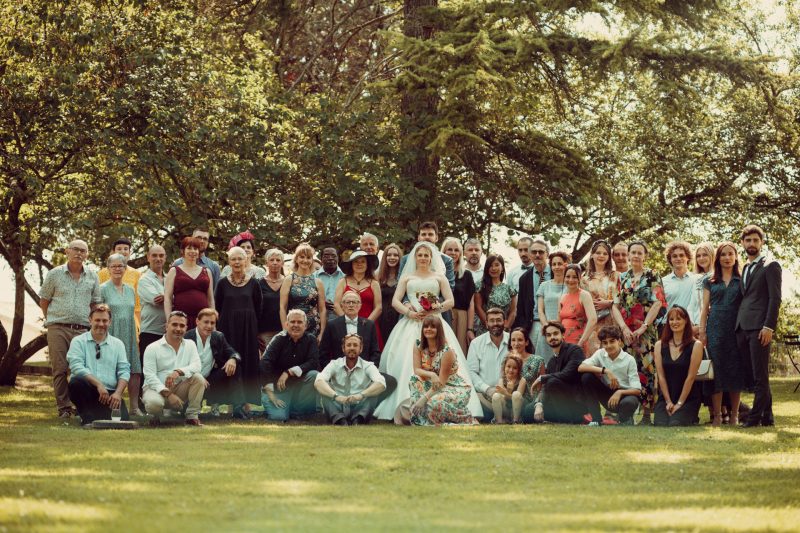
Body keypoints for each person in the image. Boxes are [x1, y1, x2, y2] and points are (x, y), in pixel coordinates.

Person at [375, 241, 482, 420]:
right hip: (411, 323)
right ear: (415, 258)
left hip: (435, 322)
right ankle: (403, 402)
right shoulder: (406, 277)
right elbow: (395, 301)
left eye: (426, 255)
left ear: (431, 258)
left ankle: (441, 401)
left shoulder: (439, 277)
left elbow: (450, 301)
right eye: (420, 255)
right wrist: (410, 312)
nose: (423, 258)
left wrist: (435, 308)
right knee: (406, 361)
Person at [39, 239, 102, 418]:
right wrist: (52, 320)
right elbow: (44, 300)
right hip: (57, 328)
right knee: (59, 369)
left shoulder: (92, 276)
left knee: (82, 369)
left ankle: (82, 407)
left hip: (82, 329)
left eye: (83, 250)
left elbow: (95, 303)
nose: (79, 253)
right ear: (67, 251)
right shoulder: (54, 274)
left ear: (87, 255)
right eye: (75, 249)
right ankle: (64, 408)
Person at [612, 241, 666, 424]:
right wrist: (623, 328)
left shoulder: (653, 275)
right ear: (628, 255)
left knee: (647, 371)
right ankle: (625, 414)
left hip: (645, 333)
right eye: (633, 252)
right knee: (626, 370)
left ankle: (646, 415)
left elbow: (658, 303)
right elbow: (615, 305)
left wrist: (643, 326)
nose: (635, 255)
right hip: (626, 334)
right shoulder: (622, 277)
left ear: (645, 256)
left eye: (639, 253)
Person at [699, 242, 751, 426]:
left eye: (730, 254)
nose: (727, 258)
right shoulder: (710, 281)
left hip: (736, 329)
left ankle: (735, 415)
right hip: (715, 329)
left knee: (736, 370)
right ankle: (717, 416)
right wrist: (702, 331)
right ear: (718, 258)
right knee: (717, 371)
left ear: (736, 257)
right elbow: (705, 308)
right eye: (723, 254)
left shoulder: (742, 279)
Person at [736, 225, 781, 427]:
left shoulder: (771, 265)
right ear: (743, 243)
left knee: (760, 377)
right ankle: (767, 417)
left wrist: (768, 327)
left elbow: (775, 298)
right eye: (748, 240)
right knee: (755, 375)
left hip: (760, 328)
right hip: (742, 327)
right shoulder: (745, 268)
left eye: (755, 240)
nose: (752, 243)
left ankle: (754, 419)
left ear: (761, 242)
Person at [215, 246, 263, 408]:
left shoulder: (254, 283)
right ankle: (232, 405)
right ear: (229, 262)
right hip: (228, 329)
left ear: (246, 260)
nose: (237, 262)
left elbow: (259, 307)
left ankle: (247, 405)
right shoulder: (222, 283)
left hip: (248, 330)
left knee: (248, 363)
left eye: (240, 259)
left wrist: (256, 330)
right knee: (230, 362)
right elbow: (217, 307)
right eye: (233, 259)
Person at [67, 305, 131, 425]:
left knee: (123, 419)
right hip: (87, 389)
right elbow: (76, 366)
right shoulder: (78, 341)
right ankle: (87, 419)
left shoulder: (118, 344)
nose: (101, 324)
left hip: (109, 394)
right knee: (76, 382)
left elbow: (124, 371)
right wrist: (99, 384)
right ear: (90, 320)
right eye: (97, 320)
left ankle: (95, 414)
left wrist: (118, 393)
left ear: (110, 322)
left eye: (104, 320)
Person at [408, 316, 478, 426]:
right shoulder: (418, 345)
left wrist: (424, 399)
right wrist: (431, 374)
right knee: (414, 380)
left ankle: (465, 418)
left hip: (452, 387)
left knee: (432, 403)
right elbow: (417, 370)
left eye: (433, 327)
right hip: (433, 384)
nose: (428, 329)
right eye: (426, 327)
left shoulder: (447, 351)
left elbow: (441, 382)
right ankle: (420, 419)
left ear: (439, 330)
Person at [142, 311, 206, 426]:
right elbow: (150, 376)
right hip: (155, 390)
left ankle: (192, 416)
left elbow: (197, 366)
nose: (178, 329)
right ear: (166, 326)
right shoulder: (152, 348)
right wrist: (169, 394)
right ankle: (155, 416)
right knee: (154, 404)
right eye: (174, 324)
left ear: (186, 328)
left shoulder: (190, 344)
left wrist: (178, 371)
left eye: (182, 326)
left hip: (179, 389)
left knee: (199, 378)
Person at [184, 308, 247, 419]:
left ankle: (238, 409)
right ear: (197, 321)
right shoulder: (187, 337)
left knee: (235, 367)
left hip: (211, 381)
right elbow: (182, 365)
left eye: (212, 323)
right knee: (183, 413)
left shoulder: (218, 336)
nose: (209, 326)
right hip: (191, 381)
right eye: (206, 322)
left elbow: (234, 353)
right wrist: (198, 377)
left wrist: (233, 359)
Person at [260, 310, 320, 421]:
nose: (295, 325)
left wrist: (289, 372)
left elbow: (313, 362)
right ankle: (277, 407)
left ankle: (296, 411)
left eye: (299, 322)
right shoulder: (279, 339)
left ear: (306, 325)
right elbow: (265, 363)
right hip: (278, 389)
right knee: (278, 417)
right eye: (292, 322)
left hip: (298, 387)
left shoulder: (311, 339)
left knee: (314, 375)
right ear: (287, 324)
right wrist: (270, 392)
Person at [100, 254, 141, 415]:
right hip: (111, 333)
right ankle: (110, 403)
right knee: (111, 368)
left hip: (129, 334)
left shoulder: (130, 290)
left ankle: (134, 407)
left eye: (121, 266)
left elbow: (134, 312)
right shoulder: (102, 288)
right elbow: (99, 314)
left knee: (134, 370)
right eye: (114, 266)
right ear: (108, 269)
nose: (117, 269)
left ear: (125, 268)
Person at [315, 334, 387, 425]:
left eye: (355, 345)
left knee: (374, 391)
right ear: (343, 348)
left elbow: (381, 383)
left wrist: (361, 395)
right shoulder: (334, 364)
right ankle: (339, 420)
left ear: (361, 349)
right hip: (338, 405)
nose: (352, 348)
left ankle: (358, 420)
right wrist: (336, 396)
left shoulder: (368, 366)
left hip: (359, 406)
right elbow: (318, 381)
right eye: (349, 345)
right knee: (324, 388)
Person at [579, 325, 642, 426]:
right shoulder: (600, 353)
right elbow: (581, 367)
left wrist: (620, 392)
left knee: (629, 402)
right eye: (605, 343)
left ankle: (625, 419)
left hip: (625, 396)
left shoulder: (629, 360)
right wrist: (606, 371)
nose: (608, 346)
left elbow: (637, 390)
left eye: (612, 341)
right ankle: (596, 419)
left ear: (619, 341)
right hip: (607, 395)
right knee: (586, 376)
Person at [652, 306, 703, 427]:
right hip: (667, 397)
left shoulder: (696, 345)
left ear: (686, 321)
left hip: (688, 398)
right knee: (660, 423)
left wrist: (679, 403)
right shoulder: (659, 345)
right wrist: (668, 401)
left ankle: (691, 415)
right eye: (671, 319)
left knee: (676, 423)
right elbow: (661, 376)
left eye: (678, 319)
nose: (674, 322)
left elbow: (691, 377)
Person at [528, 321, 585, 424]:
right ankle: (552, 417)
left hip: (577, 403)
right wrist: (539, 404)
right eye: (548, 335)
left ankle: (566, 420)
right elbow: (545, 387)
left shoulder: (575, 350)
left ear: (563, 334)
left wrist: (542, 378)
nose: (552, 337)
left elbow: (567, 374)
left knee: (552, 382)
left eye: (555, 333)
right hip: (556, 403)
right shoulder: (551, 362)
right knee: (527, 411)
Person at [467, 308, 509, 420]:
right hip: (484, 395)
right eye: (492, 320)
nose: (495, 324)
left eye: (499, 320)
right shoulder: (476, 343)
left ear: (505, 322)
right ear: (486, 323)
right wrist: (487, 389)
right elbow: (471, 372)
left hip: (507, 394)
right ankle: (497, 416)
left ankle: (500, 416)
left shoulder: (513, 341)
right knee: (472, 397)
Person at [164, 236, 214, 329]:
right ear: (182, 251)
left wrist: (212, 321)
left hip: (203, 321)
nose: (193, 251)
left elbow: (210, 299)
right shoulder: (174, 271)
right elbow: (168, 298)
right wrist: (169, 320)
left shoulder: (207, 272)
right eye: (189, 248)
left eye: (195, 248)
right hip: (180, 322)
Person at [333, 250, 382, 346]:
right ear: (351, 264)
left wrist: (366, 324)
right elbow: (336, 305)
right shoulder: (343, 281)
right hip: (345, 324)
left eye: (363, 261)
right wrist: (348, 322)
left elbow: (378, 307)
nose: (359, 264)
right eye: (356, 261)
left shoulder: (374, 283)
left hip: (368, 324)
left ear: (367, 264)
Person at [280, 243, 327, 340]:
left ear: (312, 260)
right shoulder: (289, 280)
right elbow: (282, 307)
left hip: (314, 327)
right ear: (296, 259)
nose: (305, 260)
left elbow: (322, 309)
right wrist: (285, 330)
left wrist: (322, 332)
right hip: (294, 326)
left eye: (308, 257)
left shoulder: (318, 282)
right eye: (302, 257)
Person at [580, 240, 619, 355]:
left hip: (612, 321)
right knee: (594, 356)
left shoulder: (616, 276)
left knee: (612, 355)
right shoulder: (584, 278)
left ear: (609, 257)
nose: (601, 256)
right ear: (592, 255)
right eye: (598, 253)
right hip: (593, 322)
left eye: (605, 253)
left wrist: (609, 302)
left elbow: (623, 298)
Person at [514, 238, 552, 350]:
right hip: (533, 325)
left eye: (541, 252)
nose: (537, 255)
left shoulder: (557, 273)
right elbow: (521, 308)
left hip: (553, 323)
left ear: (547, 254)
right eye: (534, 252)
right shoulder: (524, 278)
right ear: (530, 255)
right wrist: (521, 330)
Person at [441, 237, 476, 353]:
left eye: (456, 250)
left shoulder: (466, 275)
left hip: (461, 318)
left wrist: (470, 329)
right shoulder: (438, 273)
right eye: (449, 249)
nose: (453, 253)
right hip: (442, 315)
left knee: (459, 351)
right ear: (443, 252)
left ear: (460, 254)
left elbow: (471, 304)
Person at [97, 237, 142, 324]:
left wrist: (138, 325)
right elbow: (97, 301)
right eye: (119, 249)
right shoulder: (102, 273)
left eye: (126, 249)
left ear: (130, 252)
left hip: (129, 321)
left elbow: (137, 305)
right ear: (113, 252)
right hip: (108, 321)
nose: (122, 251)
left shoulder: (137, 274)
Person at [398, 222, 455, 289]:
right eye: (423, 234)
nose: (427, 237)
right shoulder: (405, 259)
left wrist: (432, 296)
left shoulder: (447, 260)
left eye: (430, 234)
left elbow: (450, 287)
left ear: (436, 238)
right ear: (419, 238)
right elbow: (399, 285)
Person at [534, 251, 569, 362]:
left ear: (565, 265)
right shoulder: (544, 286)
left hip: (565, 331)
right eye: (554, 264)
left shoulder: (571, 286)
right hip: (546, 331)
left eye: (560, 264)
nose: (556, 267)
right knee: (544, 363)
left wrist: (559, 329)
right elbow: (540, 310)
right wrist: (546, 327)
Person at [660, 241, 701, 332]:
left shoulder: (697, 279)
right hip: (668, 327)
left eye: (681, 255)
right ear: (670, 259)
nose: (678, 258)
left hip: (690, 328)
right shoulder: (662, 281)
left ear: (688, 257)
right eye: (674, 256)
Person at [474, 254, 517, 336]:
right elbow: (478, 307)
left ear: (502, 268)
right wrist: (489, 325)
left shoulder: (510, 289)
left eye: (497, 265)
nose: (493, 268)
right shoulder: (480, 286)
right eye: (490, 266)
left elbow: (513, 311)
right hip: (485, 330)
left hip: (504, 330)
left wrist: (505, 327)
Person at [138, 245, 167, 364]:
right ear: (148, 257)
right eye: (154, 255)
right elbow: (157, 300)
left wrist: (166, 297)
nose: (158, 259)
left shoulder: (170, 278)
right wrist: (170, 296)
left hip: (168, 333)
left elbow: (176, 298)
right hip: (150, 332)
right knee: (148, 369)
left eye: (161, 256)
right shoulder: (144, 280)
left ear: (165, 258)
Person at [559, 264, 597, 354]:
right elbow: (559, 322)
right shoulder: (562, 297)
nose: (570, 280)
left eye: (574, 277)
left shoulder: (584, 295)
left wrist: (581, 342)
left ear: (580, 278)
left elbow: (593, 319)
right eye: (568, 276)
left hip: (579, 341)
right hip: (563, 342)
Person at [510, 327, 545, 422]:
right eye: (513, 340)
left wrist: (538, 404)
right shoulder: (508, 360)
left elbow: (543, 386)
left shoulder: (537, 360)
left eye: (520, 340)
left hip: (531, 401)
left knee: (528, 412)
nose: (516, 343)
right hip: (512, 400)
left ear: (526, 342)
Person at [257, 248, 285, 351]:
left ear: (282, 263)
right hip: (265, 331)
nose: (275, 263)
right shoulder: (259, 283)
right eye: (272, 260)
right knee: (267, 358)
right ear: (267, 263)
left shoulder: (288, 281)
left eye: (278, 260)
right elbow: (256, 308)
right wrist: (256, 332)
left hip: (284, 329)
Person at [377, 243, 403, 342]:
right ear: (385, 257)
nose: (392, 257)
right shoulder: (377, 276)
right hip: (382, 318)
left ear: (400, 258)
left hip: (399, 316)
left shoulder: (404, 276)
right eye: (389, 255)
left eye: (395, 255)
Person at [491, 354, 526, 424]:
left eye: (515, 368)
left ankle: (516, 421)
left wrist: (506, 392)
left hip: (516, 410)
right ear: (504, 367)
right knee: (496, 396)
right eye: (508, 366)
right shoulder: (502, 380)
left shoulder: (522, 380)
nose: (511, 370)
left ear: (519, 370)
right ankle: (499, 421)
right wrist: (508, 391)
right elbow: (503, 399)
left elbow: (517, 398)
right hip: (505, 409)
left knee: (516, 394)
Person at [315, 247, 345, 322]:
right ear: (321, 259)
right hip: (318, 317)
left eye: (333, 256)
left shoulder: (346, 278)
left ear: (338, 258)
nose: (330, 258)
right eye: (326, 256)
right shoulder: (313, 277)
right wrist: (320, 303)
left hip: (340, 317)